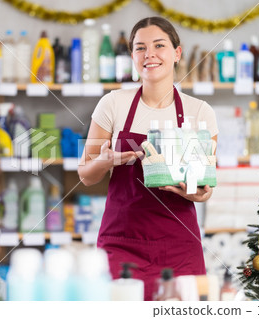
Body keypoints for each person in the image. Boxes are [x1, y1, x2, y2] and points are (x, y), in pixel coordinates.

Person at [78, 16, 218, 300]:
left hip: (179, 245)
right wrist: (105, 162)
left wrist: (195, 193)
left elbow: (206, 189)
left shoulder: (200, 112)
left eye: (159, 45)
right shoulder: (113, 104)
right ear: (132, 56)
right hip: (121, 244)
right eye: (140, 47)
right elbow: (85, 174)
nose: (149, 54)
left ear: (177, 53)